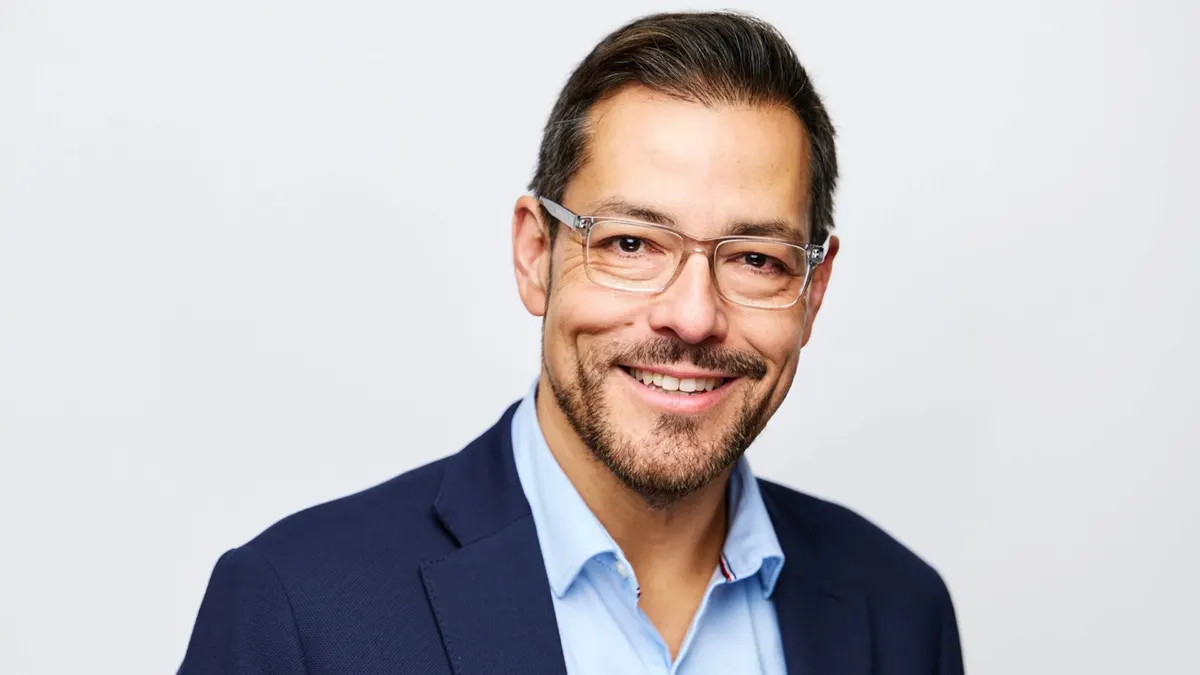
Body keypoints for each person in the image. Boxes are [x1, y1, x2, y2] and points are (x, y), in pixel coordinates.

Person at [180, 11, 964, 675]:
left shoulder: (899, 615)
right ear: (535, 254)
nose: (692, 317)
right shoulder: (300, 612)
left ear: (813, 290)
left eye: (756, 258)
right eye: (630, 244)